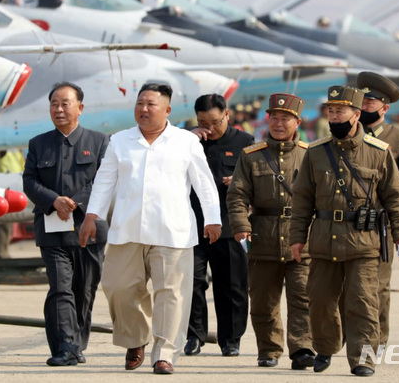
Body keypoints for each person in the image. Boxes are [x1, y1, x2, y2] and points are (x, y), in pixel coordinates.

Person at [78, 83, 221, 375]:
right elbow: (104, 181)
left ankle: (165, 353)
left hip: (173, 231)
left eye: (151, 104)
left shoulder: (185, 141)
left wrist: (213, 218)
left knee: (171, 294)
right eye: (140, 103)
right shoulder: (120, 140)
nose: (144, 109)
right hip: (127, 229)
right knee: (118, 287)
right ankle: (136, 338)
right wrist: (91, 216)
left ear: (167, 110)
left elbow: (203, 182)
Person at [289, 85, 399, 376]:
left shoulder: (378, 153)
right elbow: (302, 197)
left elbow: (395, 195)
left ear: (356, 115)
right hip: (323, 240)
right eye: (330, 111)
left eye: (340, 111)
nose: (334, 116)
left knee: (364, 301)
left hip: (363, 241)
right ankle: (326, 347)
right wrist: (296, 237)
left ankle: (362, 359)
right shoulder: (316, 152)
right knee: (320, 301)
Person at [23, 82, 109, 367]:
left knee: (84, 290)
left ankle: (76, 344)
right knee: (60, 288)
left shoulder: (99, 142)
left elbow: (104, 181)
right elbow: (29, 181)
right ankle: (64, 346)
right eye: (54, 104)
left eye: (65, 103)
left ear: (80, 108)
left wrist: (73, 202)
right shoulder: (38, 144)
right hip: (51, 231)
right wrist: (53, 200)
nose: (58, 109)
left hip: (89, 230)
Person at [226, 93, 315, 370]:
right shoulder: (251, 156)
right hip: (262, 237)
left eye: (285, 118)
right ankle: (269, 349)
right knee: (264, 301)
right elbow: (237, 195)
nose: (278, 123)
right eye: (274, 117)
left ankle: (302, 348)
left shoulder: (311, 154)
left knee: (303, 297)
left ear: (297, 121)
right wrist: (241, 226)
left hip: (302, 237)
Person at [356, 71, 399, 347]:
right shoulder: (349, 133)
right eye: (362, 101)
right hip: (348, 219)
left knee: (379, 286)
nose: (364, 106)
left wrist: (388, 182)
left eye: (371, 102)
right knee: (347, 284)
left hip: (380, 221)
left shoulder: (398, 137)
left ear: (385, 107)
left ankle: (379, 339)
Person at [184, 94, 254, 357]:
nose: (209, 129)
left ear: (227, 114)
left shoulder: (244, 142)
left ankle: (231, 338)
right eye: (203, 122)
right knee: (191, 282)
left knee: (232, 284)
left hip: (229, 224)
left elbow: (255, 181)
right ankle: (193, 335)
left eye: (214, 122)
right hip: (194, 225)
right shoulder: (187, 141)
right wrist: (190, 136)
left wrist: (238, 182)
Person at [0, 149, 26, 260]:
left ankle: (1, 251)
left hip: (13, 182)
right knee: (2, 218)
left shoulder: (15, 145)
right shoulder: (4, 141)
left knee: (8, 220)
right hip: (2, 182)